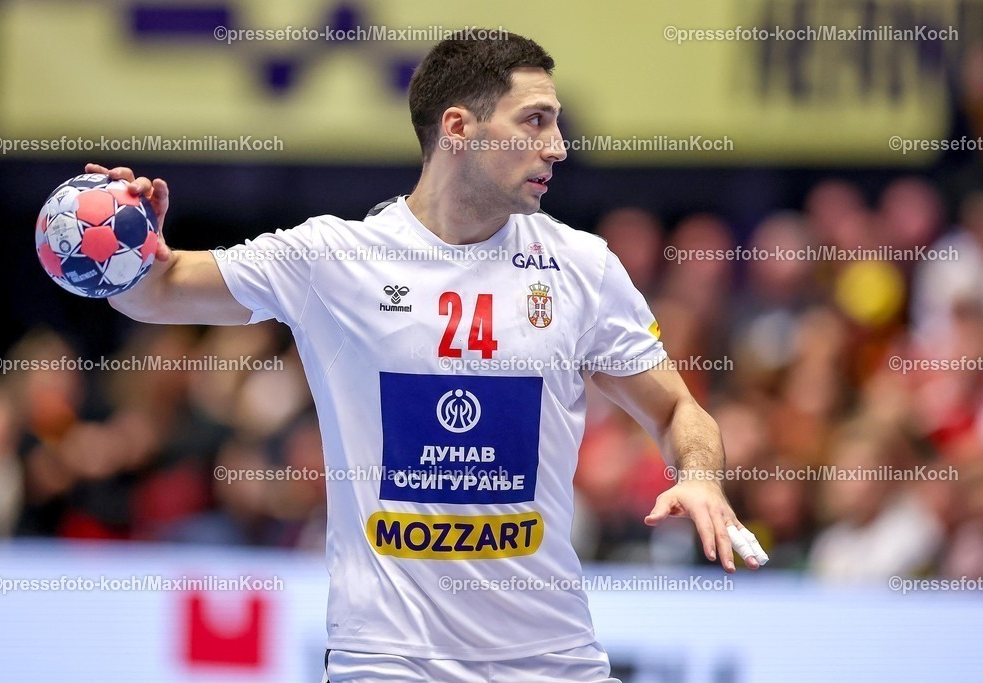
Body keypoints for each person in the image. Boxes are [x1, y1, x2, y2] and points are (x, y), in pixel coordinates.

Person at [92, 32, 766, 683]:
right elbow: (157, 292)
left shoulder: (582, 267)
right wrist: (124, 240)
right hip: (389, 658)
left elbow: (676, 410)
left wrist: (700, 476)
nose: (557, 146)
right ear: (458, 128)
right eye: (535, 121)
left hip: (550, 656)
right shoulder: (333, 258)